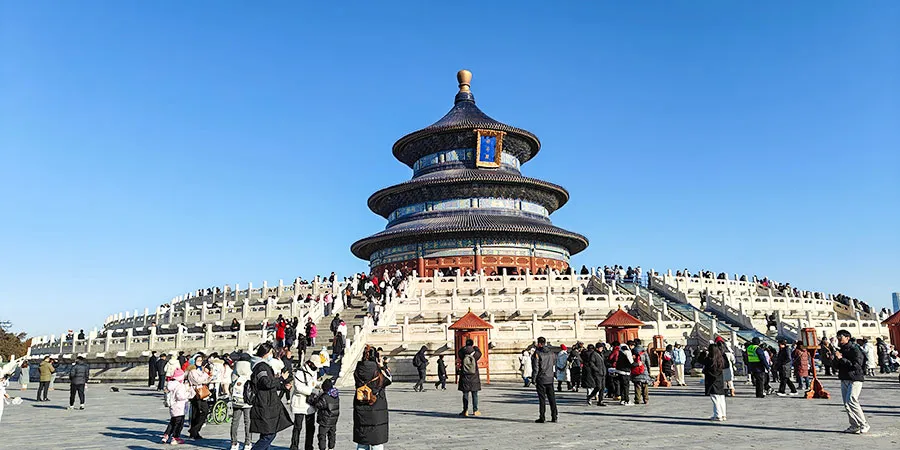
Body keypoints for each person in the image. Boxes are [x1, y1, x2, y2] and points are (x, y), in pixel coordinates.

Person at [249, 342, 294, 450]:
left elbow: (269, 384)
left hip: (267, 402)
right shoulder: (261, 367)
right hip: (264, 404)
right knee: (269, 434)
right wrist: (281, 378)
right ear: (266, 353)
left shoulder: (263, 366)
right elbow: (266, 383)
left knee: (266, 434)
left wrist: (283, 386)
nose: (272, 355)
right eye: (270, 353)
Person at [354, 345, 392, 450]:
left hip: (361, 406)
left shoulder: (358, 369)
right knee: (377, 442)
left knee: (362, 441)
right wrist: (382, 366)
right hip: (376, 407)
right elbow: (389, 379)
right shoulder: (377, 369)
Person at [833, 330, 870, 434]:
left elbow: (857, 365)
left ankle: (864, 424)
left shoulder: (855, 349)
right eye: (838, 337)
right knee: (846, 403)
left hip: (855, 378)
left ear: (847, 337)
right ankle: (854, 425)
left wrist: (842, 358)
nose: (839, 339)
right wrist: (835, 359)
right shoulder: (841, 350)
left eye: (841, 337)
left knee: (852, 400)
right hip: (844, 377)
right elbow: (837, 366)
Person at [290, 352, 326, 450]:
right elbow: (298, 387)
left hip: (310, 403)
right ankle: (294, 446)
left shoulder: (313, 372)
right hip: (300, 403)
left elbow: (312, 383)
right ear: (310, 363)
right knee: (298, 427)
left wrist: (320, 384)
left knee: (310, 427)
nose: (316, 368)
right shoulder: (300, 372)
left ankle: (309, 446)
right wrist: (312, 391)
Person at [162, 368, 194, 445]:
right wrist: (188, 394)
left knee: (172, 421)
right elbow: (180, 396)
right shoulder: (180, 386)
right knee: (179, 423)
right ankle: (175, 438)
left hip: (173, 406)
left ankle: (166, 435)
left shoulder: (171, 384)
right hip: (180, 407)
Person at [531, 336, 558, 423]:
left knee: (542, 399)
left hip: (541, 378)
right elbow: (554, 363)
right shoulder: (551, 353)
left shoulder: (537, 353)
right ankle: (554, 416)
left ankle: (542, 416)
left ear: (539, 343)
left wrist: (534, 379)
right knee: (552, 398)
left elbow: (536, 368)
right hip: (550, 378)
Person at [187, 353, 212, 440]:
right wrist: (205, 374)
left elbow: (206, 380)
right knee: (197, 412)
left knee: (204, 411)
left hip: (202, 392)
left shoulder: (201, 370)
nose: (200, 362)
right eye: (198, 360)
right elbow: (197, 380)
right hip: (195, 393)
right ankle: (194, 431)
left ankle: (194, 430)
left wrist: (208, 377)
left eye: (201, 360)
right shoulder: (192, 371)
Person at [310, 378, 340, 450]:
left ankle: (322, 448)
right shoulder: (335, 395)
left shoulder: (325, 397)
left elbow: (318, 405)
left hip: (325, 420)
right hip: (333, 420)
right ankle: (331, 447)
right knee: (332, 434)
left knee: (322, 436)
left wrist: (313, 399)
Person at [230, 358, 253, 450]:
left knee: (235, 422)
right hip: (247, 401)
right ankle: (248, 442)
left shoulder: (235, 372)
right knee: (247, 422)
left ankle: (234, 443)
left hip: (236, 401)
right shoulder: (250, 372)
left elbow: (231, 385)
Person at [458, 338, 483, 417]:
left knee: (465, 394)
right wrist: (475, 347)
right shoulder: (475, 355)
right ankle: (475, 410)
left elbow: (459, 352)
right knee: (474, 394)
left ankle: (465, 410)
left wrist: (464, 347)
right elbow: (480, 353)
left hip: (464, 377)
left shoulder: (463, 354)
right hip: (474, 377)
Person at [702, 343, 727, 421]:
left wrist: (703, 352)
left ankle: (717, 415)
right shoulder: (721, 359)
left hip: (711, 380)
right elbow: (727, 365)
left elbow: (700, 360)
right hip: (720, 380)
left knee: (715, 398)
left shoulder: (709, 359)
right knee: (721, 398)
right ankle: (723, 414)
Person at [631, 339, 652, 405]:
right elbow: (648, 362)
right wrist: (649, 371)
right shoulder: (644, 351)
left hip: (636, 370)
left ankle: (637, 399)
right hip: (644, 370)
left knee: (637, 386)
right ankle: (646, 399)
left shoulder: (633, 351)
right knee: (645, 386)